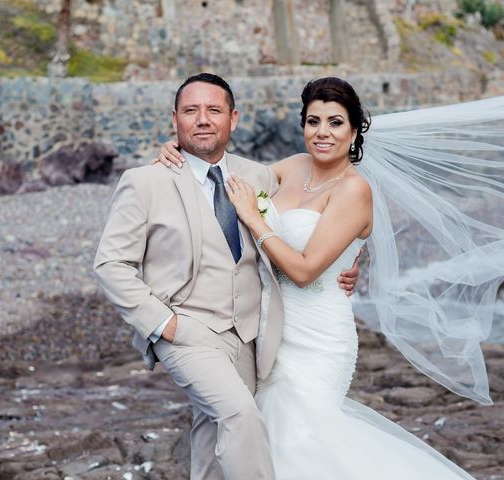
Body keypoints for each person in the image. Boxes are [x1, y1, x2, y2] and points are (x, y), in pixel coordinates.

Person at [157, 73, 504, 477]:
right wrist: (176, 148)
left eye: (335, 122)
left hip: (319, 336)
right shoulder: (290, 169)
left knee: (300, 437)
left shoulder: (355, 190)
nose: (322, 133)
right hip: (270, 332)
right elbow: (221, 172)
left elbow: (302, 271)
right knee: (266, 437)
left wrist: (257, 221)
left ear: (355, 130)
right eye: (313, 121)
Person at [93, 73, 359, 480]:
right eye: (190, 111)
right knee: (239, 414)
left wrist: (352, 264)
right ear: (175, 120)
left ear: (233, 119)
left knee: (213, 431)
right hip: (186, 330)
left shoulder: (261, 177)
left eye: (213, 110)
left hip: (253, 336)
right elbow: (111, 265)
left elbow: (339, 218)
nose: (202, 120)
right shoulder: (145, 182)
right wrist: (164, 324)